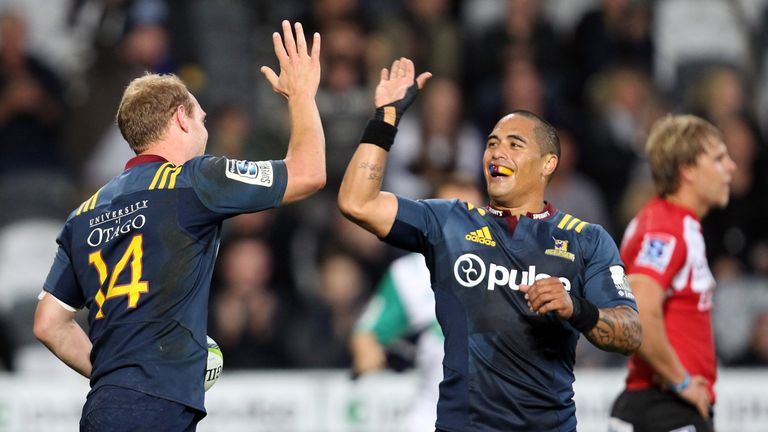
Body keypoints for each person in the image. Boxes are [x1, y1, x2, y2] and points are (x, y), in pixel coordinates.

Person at [32, 20, 324, 431]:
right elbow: (308, 173)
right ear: (181, 120)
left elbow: (48, 323)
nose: (206, 129)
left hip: (104, 407)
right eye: (202, 119)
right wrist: (303, 96)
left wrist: (117, 378)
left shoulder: (83, 214)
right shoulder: (194, 180)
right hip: (155, 407)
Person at [337, 57, 642, 432]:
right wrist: (385, 118)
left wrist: (576, 308)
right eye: (492, 144)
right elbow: (357, 202)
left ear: (548, 164)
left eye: (515, 144)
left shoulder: (586, 240)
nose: (497, 153)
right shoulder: (449, 223)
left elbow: (630, 333)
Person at [609, 115, 736, 432]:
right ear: (688, 170)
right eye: (719, 158)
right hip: (666, 408)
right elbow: (639, 308)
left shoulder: (662, 220)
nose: (731, 167)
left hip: (653, 404)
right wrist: (680, 382)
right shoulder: (669, 228)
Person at [351, 177, 482, 432]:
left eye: (471, 211)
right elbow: (366, 335)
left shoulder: (509, 265)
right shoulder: (410, 273)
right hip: (432, 418)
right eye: (451, 211)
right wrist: (368, 352)